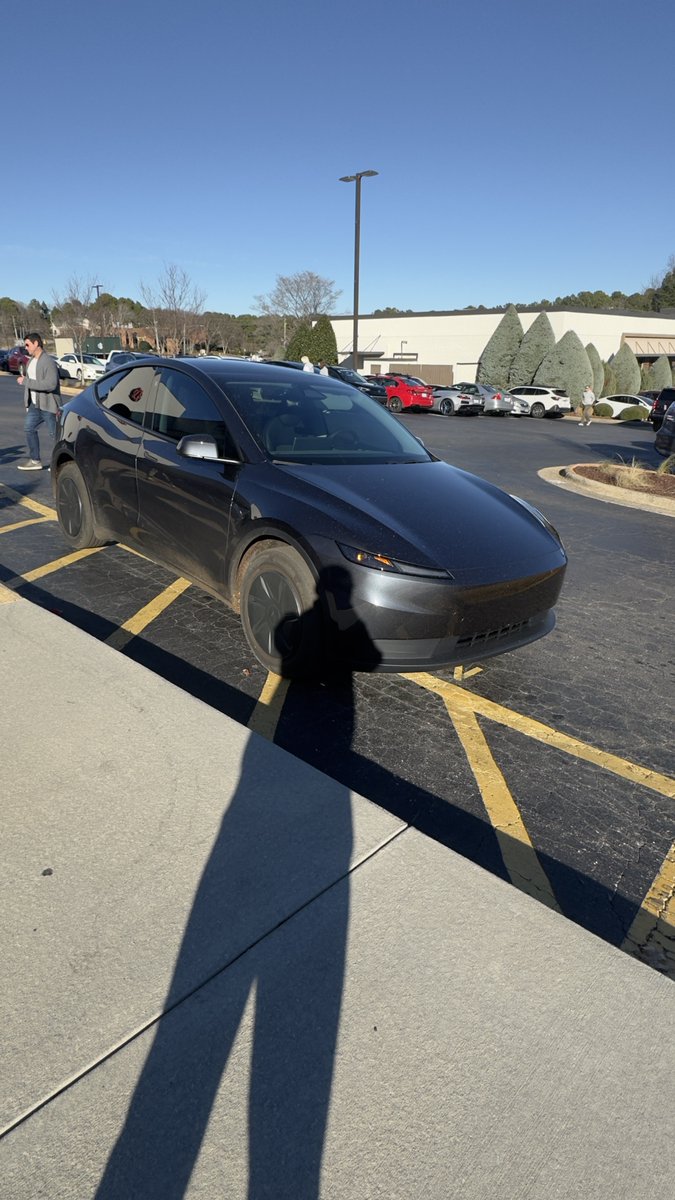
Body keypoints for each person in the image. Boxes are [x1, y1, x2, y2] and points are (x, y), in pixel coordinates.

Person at [16, 332, 61, 470]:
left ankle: (59, 463)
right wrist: (27, 403)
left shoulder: (48, 361)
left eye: (28, 344)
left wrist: (26, 381)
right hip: (35, 405)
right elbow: (29, 387)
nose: (26, 348)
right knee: (29, 429)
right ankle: (35, 461)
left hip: (49, 405)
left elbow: (51, 384)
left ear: (36, 344)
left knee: (55, 435)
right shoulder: (30, 361)